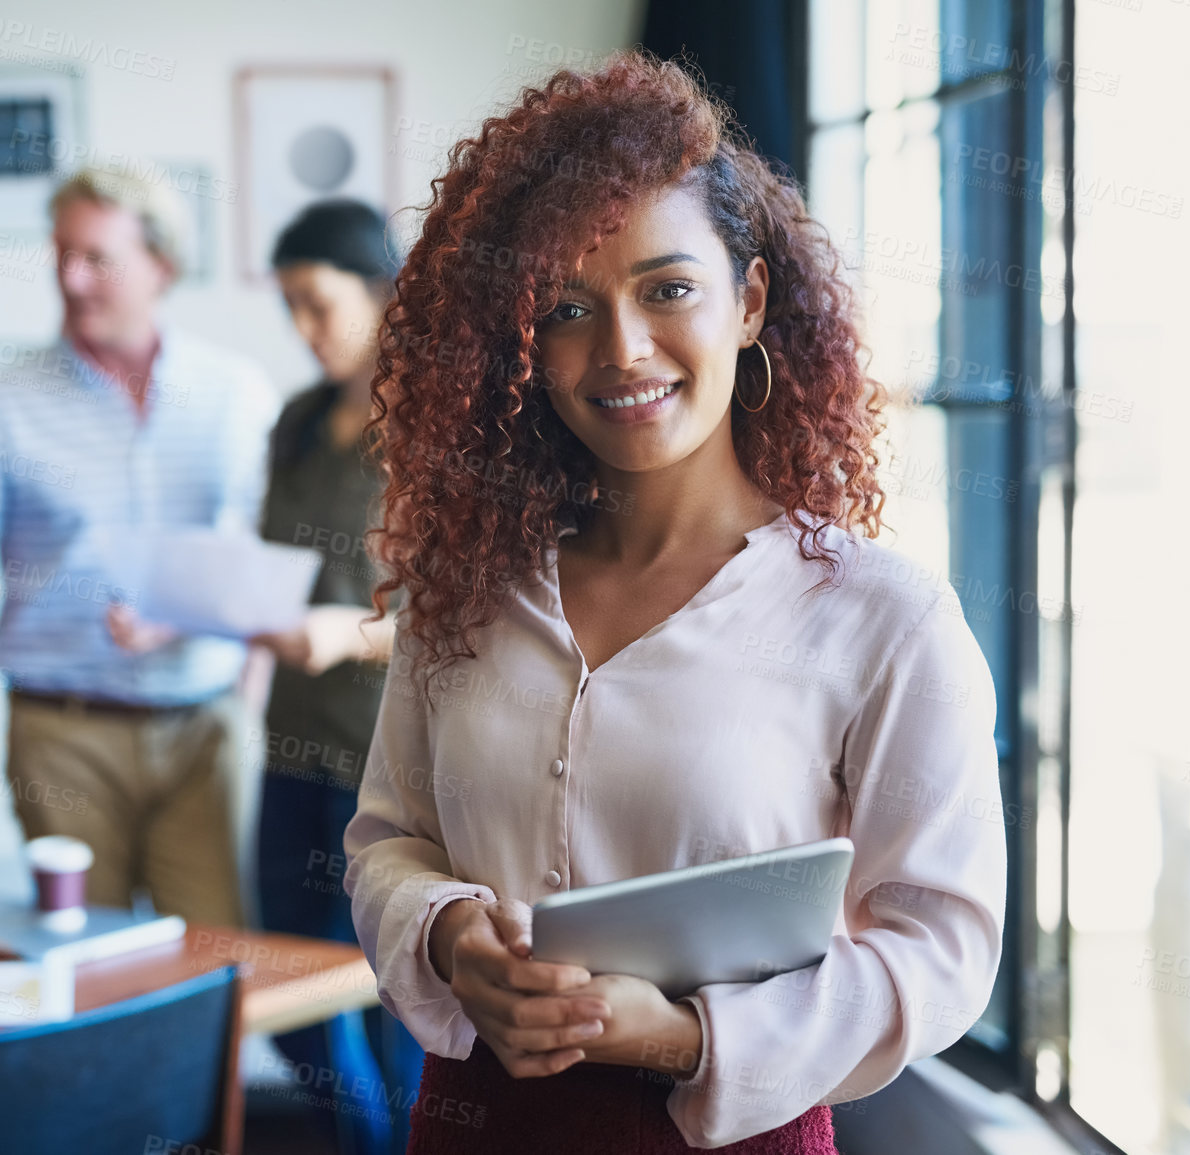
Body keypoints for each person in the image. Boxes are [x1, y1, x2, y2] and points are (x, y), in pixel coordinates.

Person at [343, 52, 1006, 1154]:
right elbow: (386, 844)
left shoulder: (883, 619)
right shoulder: (467, 592)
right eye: (565, 307)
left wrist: (687, 1036)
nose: (622, 350)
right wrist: (455, 936)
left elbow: (944, 948)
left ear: (748, 302)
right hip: (476, 1122)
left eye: (668, 288)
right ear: (522, 345)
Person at [0, 166, 281, 929]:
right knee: (83, 973)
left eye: (97, 258)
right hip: (60, 735)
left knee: (216, 970)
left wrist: (245, 700)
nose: (70, 278)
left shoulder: (237, 394)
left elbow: (260, 563)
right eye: (61, 253)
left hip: (206, 731)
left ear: (160, 266)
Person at [248, 200, 421, 1155]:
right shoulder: (296, 423)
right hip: (289, 744)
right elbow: (271, 572)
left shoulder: (439, 430)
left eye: (316, 303)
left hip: (386, 760)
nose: (304, 329)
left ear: (380, 292)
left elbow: (468, 614)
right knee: (292, 989)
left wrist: (351, 636)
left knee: (399, 1001)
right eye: (289, 309)